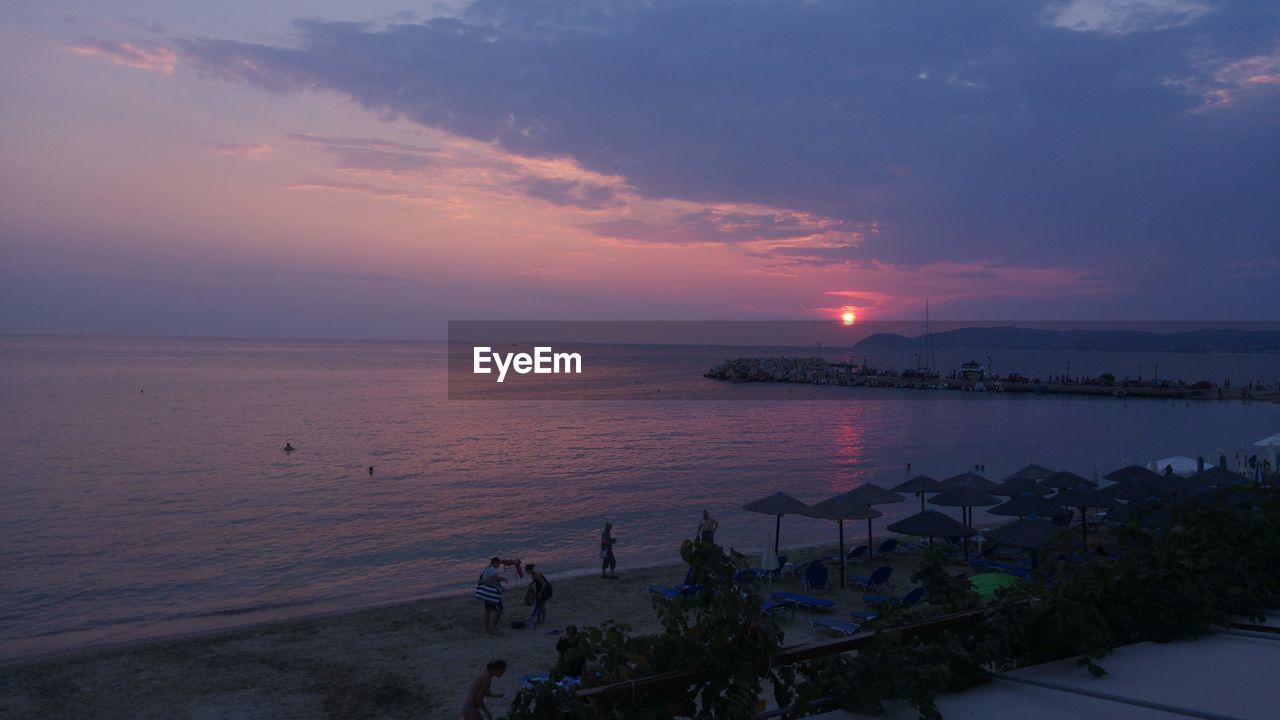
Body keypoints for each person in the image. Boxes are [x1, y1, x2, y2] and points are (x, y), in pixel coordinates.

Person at [478, 557, 506, 634]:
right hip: (492, 594)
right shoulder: (491, 569)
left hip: (487, 593)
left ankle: (487, 628)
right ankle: (493, 627)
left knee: (488, 611)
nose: (499, 565)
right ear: (495, 562)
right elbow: (494, 577)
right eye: (498, 563)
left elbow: (485, 580)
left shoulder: (486, 569)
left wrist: (500, 587)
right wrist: (503, 579)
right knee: (499, 611)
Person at [526, 563, 551, 628]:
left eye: (527, 571)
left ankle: (543, 619)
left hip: (544, 589)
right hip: (539, 588)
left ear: (530, 570)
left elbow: (544, 583)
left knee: (542, 605)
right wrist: (530, 584)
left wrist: (540, 593)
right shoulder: (533, 574)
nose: (527, 572)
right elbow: (535, 580)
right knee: (538, 604)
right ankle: (539, 619)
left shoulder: (536, 575)